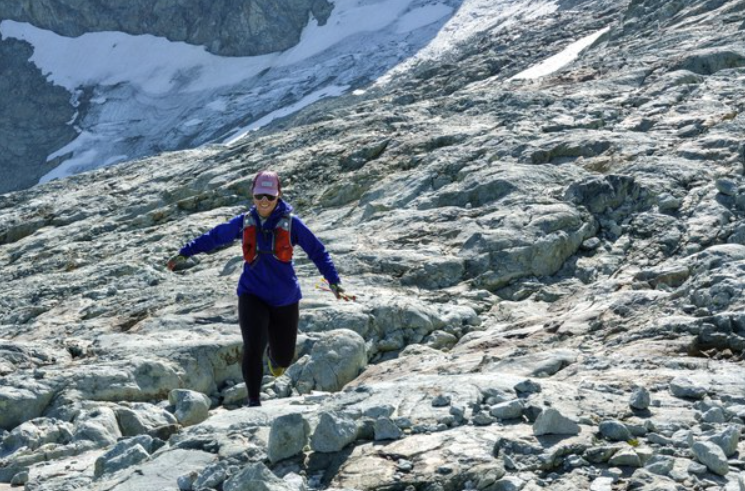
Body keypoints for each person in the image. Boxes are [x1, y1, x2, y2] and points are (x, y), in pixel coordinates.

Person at [167, 170, 345, 407]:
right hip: (252, 294)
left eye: (270, 196)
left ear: (278, 196)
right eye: (260, 195)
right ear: (252, 194)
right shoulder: (244, 222)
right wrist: (185, 252)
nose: (264, 201)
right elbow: (215, 236)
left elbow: (318, 252)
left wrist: (333, 281)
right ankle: (254, 402)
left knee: (283, 358)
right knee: (252, 347)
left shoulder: (292, 224)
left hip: (285, 298)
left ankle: (275, 357)